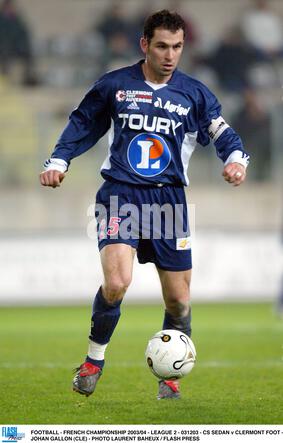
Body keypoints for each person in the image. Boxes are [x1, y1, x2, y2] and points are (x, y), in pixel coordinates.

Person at [40, 10, 250, 400]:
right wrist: (58, 160)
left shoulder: (195, 94)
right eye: (162, 46)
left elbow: (223, 134)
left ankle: (170, 377)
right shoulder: (115, 85)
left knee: (178, 299)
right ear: (145, 45)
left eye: (177, 47)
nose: (170, 55)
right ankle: (93, 361)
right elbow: (83, 122)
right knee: (117, 283)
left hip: (169, 202)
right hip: (121, 195)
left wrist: (236, 159)